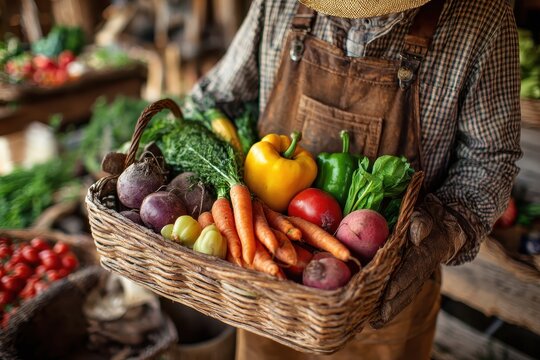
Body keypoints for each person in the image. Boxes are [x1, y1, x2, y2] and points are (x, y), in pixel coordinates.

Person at [191, 0, 522, 358]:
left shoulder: (481, 17)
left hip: (388, 292)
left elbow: (489, 159)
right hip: (272, 292)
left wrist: (442, 233)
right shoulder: (279, 4)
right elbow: (213, 101)